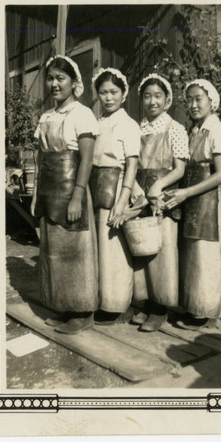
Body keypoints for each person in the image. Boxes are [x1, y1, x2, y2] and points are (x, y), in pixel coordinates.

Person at [30, 54, 99, 335]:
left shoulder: (82, 114)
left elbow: (86, 159)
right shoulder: (46, 117)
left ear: (74, 82)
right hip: (49, 191)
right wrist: (36, 195)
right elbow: (39, 159)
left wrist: (77, 197)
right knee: (54, 253)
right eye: (51, 78)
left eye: (61, 78)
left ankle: (83, 313)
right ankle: (66, 307)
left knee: (76, 253)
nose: (54, 84)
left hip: (72, 191)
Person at [164, 79, 221, 330]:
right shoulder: (194, 130)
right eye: (189, 99)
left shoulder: (216, 130)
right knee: (192, 256)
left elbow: (220, 174)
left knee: (206, 257)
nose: (192, 105)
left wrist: (187, 192)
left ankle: (204, 312)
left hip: (208, 200)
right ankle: (194, 307)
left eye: (198, 99)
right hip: (191, 198)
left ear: (211, 101)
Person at [130, 73, 189, 332]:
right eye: (147, 96)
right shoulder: (136, 128)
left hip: (163, 196)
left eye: (158, 96)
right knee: (143, 251)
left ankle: (161, 308)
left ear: (167, 101)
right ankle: (147, 304)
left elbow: (180, 169)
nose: (152, 101)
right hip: (140, 196)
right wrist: (136, 190)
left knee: (162, 253)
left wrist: (158, 187)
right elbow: (130, 164)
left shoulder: (174, 128)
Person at [90, 68, 141, 325]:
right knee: (101, 251)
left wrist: (122, 202)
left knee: (116, 252)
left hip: (118, 189)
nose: (108, 97)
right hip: (97, 189)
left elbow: (132, 165)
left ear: (123, 94)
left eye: (113, 92)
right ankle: (103, 302)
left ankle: (119, 306)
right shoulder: (98, 123)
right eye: (103, 92)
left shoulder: (128, 125)